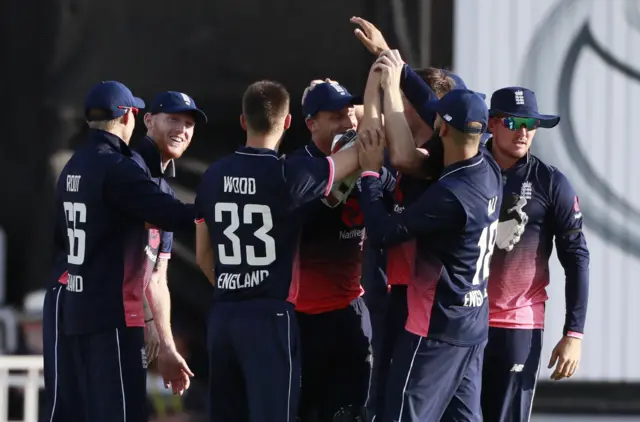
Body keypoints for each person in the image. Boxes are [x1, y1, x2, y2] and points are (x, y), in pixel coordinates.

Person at [193, 80, 361, 422]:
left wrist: (232, 287)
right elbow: (358, 153)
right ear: (288, 123)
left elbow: (202, 254)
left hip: (223, 313)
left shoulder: (212, 175)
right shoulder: (288, 175)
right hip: (270, 314)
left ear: (243, 121)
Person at [358, 51, 502, 421]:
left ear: (439, 128)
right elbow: (429, 109)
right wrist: (398, 70)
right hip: (470, 323)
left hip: (433, 324)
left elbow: (384, 229)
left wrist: (370, 175)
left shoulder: (449, 192)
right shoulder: (487, 165)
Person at [55, 80, 195, 422]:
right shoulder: (121, 168)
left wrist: (162, 338)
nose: (181, 129)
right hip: (110, 313)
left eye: (188, 122)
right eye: (172, 119)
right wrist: (226, 200)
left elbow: (154, 271)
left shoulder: (73, 166)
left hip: (75, 309)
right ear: (136, 117)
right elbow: (174, 215)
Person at [480, 87, 590, 422]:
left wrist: (573, 334)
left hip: (518, 325)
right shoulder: (466, 171)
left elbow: (577, 259)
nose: (524, 131)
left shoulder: (550, 182)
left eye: (531, 123)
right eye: (514, 122)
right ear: (491, 123)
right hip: (460, 323)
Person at [293, 77, 395, 421]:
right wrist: (340, 170)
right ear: (311, 124)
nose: (348, 123)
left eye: (350, 114)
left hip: (351, 308)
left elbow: (385, 121)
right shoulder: (297, 167)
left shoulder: (372, 161)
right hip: (302, 315)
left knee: (352, 413)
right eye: (335, 116)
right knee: (305, 411)